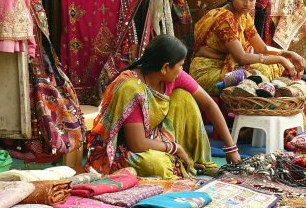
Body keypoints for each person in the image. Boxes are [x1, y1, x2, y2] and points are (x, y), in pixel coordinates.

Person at [87, 35, 241, 179]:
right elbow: (137, 143)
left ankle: (198, 162)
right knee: (156, 165)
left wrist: (231, 147)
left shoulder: (172, 76)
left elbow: (208, 104)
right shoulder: (132, 88)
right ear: (165, 67)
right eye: (180, 65)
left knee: (183, 98)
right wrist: (176, 148)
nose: (182, 70)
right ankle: (180, 162)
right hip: (125, 148)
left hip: (155, 136)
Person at [189, 0, 306, 96]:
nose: (247, 3)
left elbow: (263, 49)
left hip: (226, 65)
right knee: (261, 72)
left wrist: (288, 54)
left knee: (274, 67)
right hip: (208, 70)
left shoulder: (245, 16)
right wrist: (280, 59)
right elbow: (241, 58)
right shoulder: (225, 18)